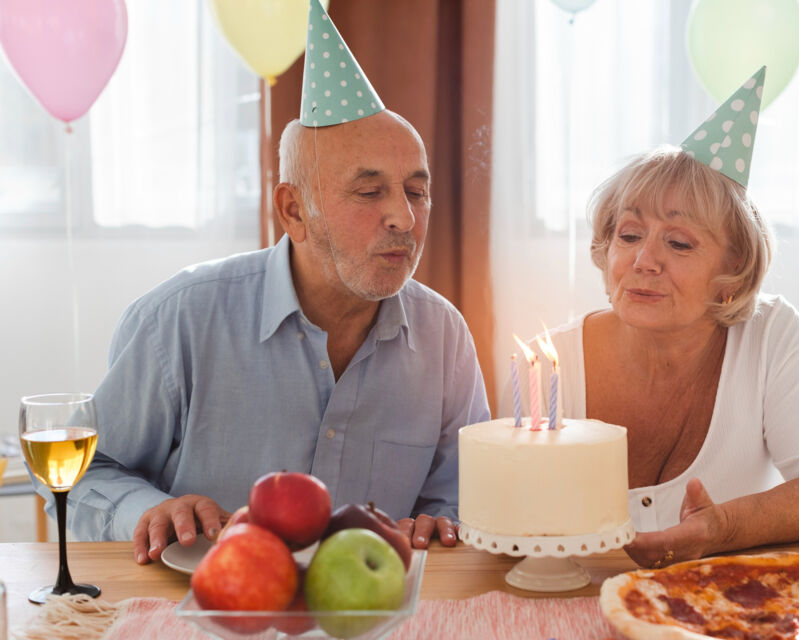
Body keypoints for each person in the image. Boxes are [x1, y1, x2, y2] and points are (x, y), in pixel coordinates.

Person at [61, 0, 490, 565]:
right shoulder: (181, 320)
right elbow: (82, 475)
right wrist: (145, 509)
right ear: (293, 211)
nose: (404, 219)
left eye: (416, 190)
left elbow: (462, 491)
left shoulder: (445, 335)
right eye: (369, 192)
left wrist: (446, 520)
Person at [533, 67, 799, 568]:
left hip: (721, 609)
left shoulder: (770, 335)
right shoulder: (549, 362)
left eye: (678, 242)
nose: (644, 260)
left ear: (732, 269)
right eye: (629, 235)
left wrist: (723, 528)